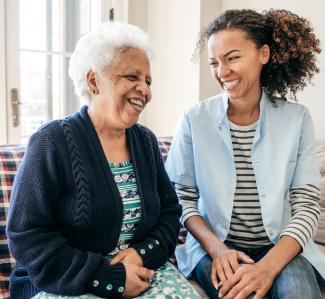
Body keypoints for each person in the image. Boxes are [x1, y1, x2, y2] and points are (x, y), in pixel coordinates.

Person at [6, 22, 201, 299]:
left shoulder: (145, 141)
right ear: (94, 81)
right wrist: (107, 278)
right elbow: (27, 234)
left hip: (141, 272)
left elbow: (170, 212)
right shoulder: (52, 142)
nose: (144, 90)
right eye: (132, 77)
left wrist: (140, 253)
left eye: (147, 80)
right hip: (66, 280)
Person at [165, 9, 325, 299]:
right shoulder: (194, 119)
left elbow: (306, 206)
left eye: (233, 57)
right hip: (216, 247)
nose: (222, 71)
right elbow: (181, 197)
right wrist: (217, 249)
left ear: (263, 54)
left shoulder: (297, 119)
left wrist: (267, 268)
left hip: (280, 247)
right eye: (214, 62)